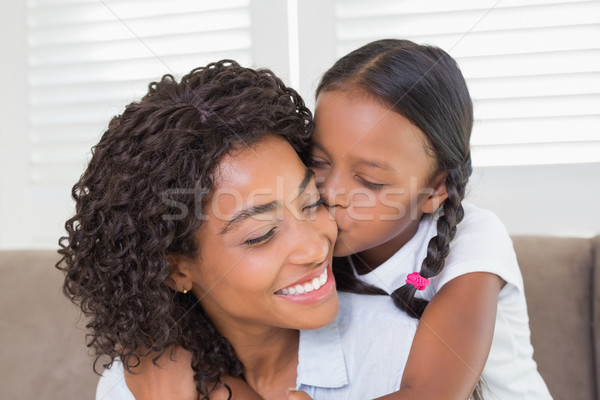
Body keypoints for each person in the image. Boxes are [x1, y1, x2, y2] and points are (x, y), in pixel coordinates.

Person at [57, 60, 418, 400]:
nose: (314, 248)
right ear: (176, 268)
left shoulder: (405, 355)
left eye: (311, 202)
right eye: (261, 234)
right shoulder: (134, 386)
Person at [309, 39, 552, 399]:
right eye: (318, 163)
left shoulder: (474, 238)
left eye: (369, 181)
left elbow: (430, 394)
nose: (331, 193)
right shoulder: (311, 240)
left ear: (436, 189)